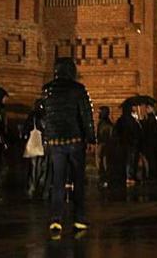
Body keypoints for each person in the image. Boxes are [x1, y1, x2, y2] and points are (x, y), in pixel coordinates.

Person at [42, 58, 96, 233]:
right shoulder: (78, 89)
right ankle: (79, 218)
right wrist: (91, 138)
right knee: (77, 181)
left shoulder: (47, 90)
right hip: (75, 141)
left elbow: (45, 117)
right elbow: (86, 115)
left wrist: (48, 138)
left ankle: (55, 219)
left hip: (56, 142)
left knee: (57, 182)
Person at [114, 104, 142, 186]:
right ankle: (130, 176)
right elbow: (138, 132)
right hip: (131, 144)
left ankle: (125, 176)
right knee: (131, 161)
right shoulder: (133, 121)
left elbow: (116, 132)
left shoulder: (120, 120)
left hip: (123, 144)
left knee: (125, 160)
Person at [141, 104, 157, 181]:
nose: (146, 109)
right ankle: (151, 173)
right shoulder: (151, 119)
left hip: (150, 142)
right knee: (151, 158)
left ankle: (151, 174)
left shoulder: (151, 119)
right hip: (151, 142)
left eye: (148, 108)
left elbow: (149, 130)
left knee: (151, 159)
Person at [96, 107, 114, 188]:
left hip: (104, 144)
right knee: (104, 162)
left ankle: (105, 178)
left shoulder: (103, 123)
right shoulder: (107, 123)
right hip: (106, 144)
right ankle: (105, 178)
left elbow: (101, 134)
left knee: (103, 162)